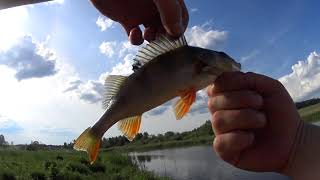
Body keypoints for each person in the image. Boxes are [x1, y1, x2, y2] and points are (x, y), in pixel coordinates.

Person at [2, 1, 320, 179]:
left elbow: (184, 97)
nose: (230, 61)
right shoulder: (197, 63)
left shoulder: (199, 71)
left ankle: (94, 135)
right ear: (210, 59)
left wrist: (297, 145)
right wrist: (297, 147)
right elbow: (186, 92)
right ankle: (95, 134)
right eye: (225, 57)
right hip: (131, 99)